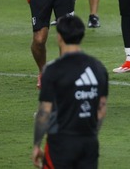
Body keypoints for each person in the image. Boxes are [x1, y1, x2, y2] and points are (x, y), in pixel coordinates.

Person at [32, 15, 109, 169]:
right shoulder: (98, 68)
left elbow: (44, 112)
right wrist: (91, 135)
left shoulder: (53, 70)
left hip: (60, 144)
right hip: (89, 143)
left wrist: (36, 144)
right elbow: (101, 110)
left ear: (59, 37)